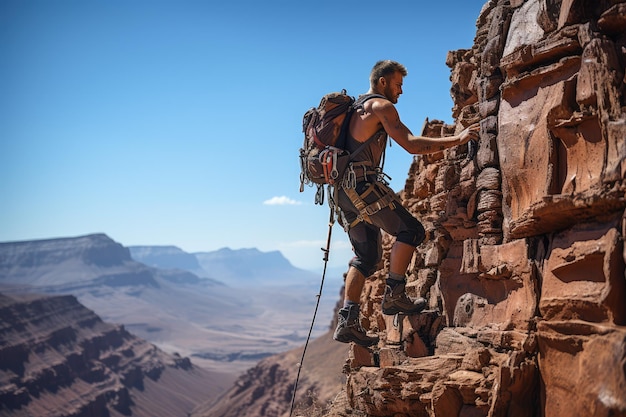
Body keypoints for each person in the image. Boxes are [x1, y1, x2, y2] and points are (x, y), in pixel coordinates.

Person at [333, 60, 480, 347]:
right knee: (411, 231)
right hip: (362, 186)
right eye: (398, 84)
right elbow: (412, 144)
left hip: (342, 193)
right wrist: (457, 139)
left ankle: (347, 320)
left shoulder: (353, 110)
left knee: (367, 258)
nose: (401, 91)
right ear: (383, 82)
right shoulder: (381, 107)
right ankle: (394, 295)